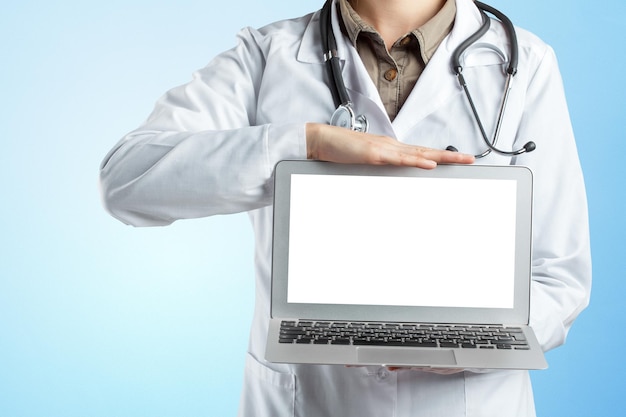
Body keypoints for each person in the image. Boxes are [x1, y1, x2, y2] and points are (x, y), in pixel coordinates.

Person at [99, 0, 592, 415]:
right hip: (307, 399)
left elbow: (559, 278)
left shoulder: (523, 62)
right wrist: (305, 146)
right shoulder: (268, 57)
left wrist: (462, 343)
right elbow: (127, 178)